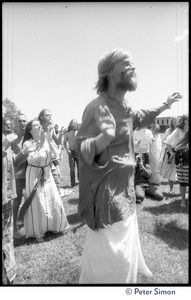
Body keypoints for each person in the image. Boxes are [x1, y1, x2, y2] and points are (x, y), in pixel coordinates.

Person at [75, 48, 181, 284]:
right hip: (106, 198)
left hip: (126, 190)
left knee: (126, 253)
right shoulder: (97, 107)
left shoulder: (125, 106)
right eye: (127, 63)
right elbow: (81, 151)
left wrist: (165, 105)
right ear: (109, 72)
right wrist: (104, 138)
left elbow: (141, 116)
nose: (133, 67)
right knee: (112, 259)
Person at [15, 118, 69, 243]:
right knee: (37, 201)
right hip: (34, 174)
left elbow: (54, 155)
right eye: (35, 125)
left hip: (47, 173)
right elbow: (32, 159)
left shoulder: (46, 140)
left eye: (39, 125)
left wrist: (47, 141)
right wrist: (41, 147)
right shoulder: (27, 144)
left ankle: (54, 226)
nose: (39, 127)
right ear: (30, 129)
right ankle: (38, 232)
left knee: (52, 199)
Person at [2, 109, 17, 284]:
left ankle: (9, 275)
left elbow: (14, 163)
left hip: (6, 195)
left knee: (7, 234)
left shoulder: (8, 140)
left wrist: (25, 153)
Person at [38, 109, 65, 193]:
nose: (50, 116)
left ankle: (57, 199)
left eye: (50, 115)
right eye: (47, 115)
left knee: (56, 180)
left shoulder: (51, 129)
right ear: (41, 117)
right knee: (42, 184)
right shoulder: (38, 128)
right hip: (40, 160)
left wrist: (60, 133)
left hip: (50, 159)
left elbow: (57, 142)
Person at [164, 115, 189, 206]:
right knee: (183, 179)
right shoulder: (178, 130)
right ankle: (183, 200)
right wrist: (172, 153)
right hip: (182, 157)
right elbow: (167, 142)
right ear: (184, 121)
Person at [11, 113, 28, 239]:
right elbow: (13, 160)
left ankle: (31, 224)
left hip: (31, 173)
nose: (23, 123)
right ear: (15, 124)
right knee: (16, 202)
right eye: (20, 121)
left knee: (32, 199)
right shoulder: (11, 139)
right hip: (17, 175)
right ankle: (14, 229)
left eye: (24, 121)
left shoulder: (30, 137)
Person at [159, 117, 178, 193]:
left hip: (179, 152)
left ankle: (184, 190)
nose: (176, 122)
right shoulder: (168, 131)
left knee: (181, 171)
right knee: (170, 172)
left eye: (177, 121)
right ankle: (171, 189)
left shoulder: (181, 130)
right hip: (170, 152)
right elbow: (164, 141)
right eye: (174, 121)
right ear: (171, 122)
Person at [174, 131, 189, 208]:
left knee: (182, 184)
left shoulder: (179, 144)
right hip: (185, 166)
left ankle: (183, 201)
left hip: (180, 167)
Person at [63, 119, 79, 187]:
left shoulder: (79, 132)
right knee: (72, 169)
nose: (75, 124)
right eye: (73, 122)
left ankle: (80, 182)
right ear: (70, 124)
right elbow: (64, 143)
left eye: (76, 123)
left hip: (78, 153)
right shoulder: (67, 133)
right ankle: (73, 184)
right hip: (71, 153)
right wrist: (67, 150)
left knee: (80, 168)